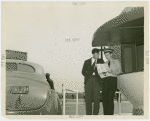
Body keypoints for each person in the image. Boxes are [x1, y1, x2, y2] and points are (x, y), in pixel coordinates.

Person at [82, 48, 104, 115]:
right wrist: (88, 76)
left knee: (96, 99)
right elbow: (83, 72)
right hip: (88, 81)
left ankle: (95, 115)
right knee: (88, 99)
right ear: (93, 54)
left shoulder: (101, 61)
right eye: (97, 54)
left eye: (98, 54)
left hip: (97, 81)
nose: (98, 56)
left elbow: (103, 71)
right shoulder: (86, 62)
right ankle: (88, 115)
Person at [101, 48, 122, 115]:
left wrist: (111, 71)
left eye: (107, 55)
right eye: (105, 56)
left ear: (111, 54)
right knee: (104, 99)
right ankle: (105, 115)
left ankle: (110, 115)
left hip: (113, 81)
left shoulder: (116, 61)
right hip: (105, 81)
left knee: (110, 98)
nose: (106, 57)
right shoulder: (105, 63)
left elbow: (119, 71)